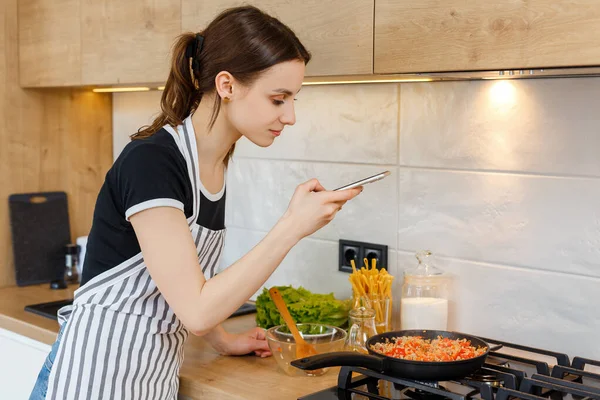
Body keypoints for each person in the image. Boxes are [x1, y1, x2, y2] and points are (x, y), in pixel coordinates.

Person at [29, 5, 362, 400]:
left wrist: (224, 341)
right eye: (278, 99)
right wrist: (292, 226)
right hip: (91, 379)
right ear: (227, 85)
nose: (289, 116)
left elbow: (180, 280)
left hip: (151, 381)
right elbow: (196, 311)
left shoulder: (213, 163)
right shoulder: (152, 162)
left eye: (293, 99)